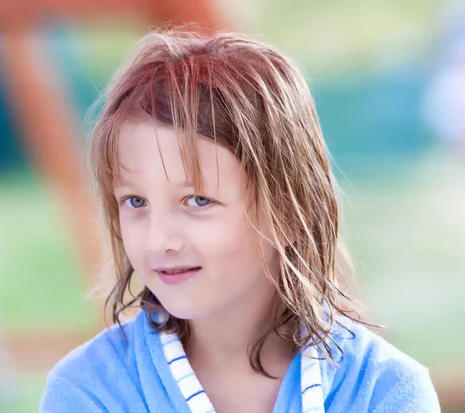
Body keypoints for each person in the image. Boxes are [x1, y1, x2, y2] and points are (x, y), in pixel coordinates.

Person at [40, 29, 440, 413]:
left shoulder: (384, 392)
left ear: (289, 212)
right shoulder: (89, 392)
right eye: (135, 201)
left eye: (197, 200)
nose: (159, 239)